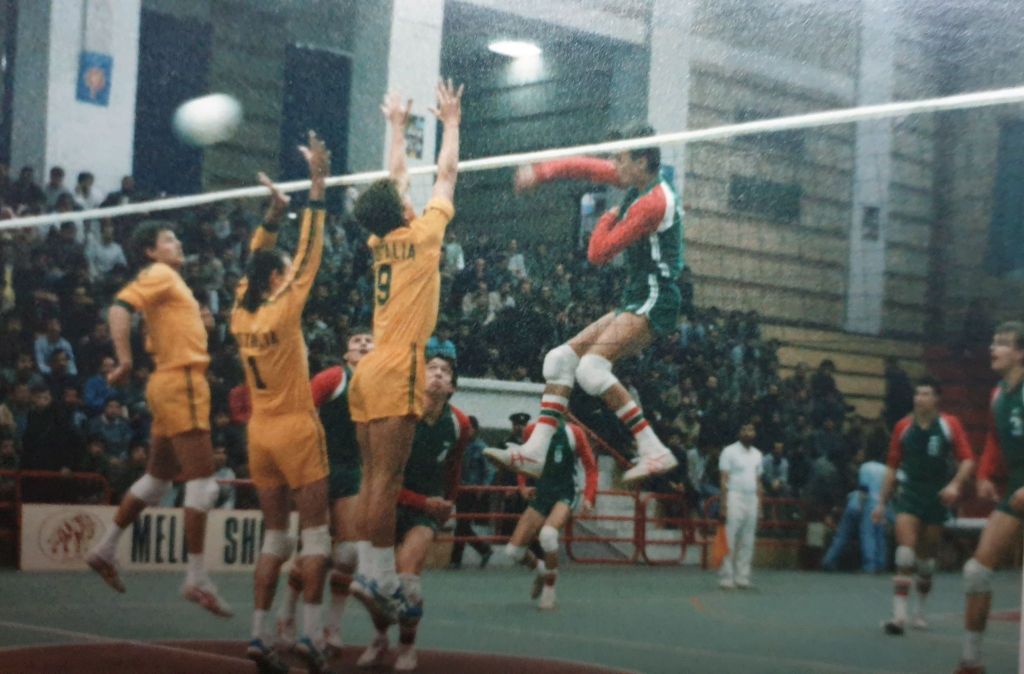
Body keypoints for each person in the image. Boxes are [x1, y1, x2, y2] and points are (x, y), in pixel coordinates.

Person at [485, 123, 682, 484]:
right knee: (559, 360)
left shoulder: (652, 202)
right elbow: (583, 166)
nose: (613, 166)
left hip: (657, 297)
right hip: (636, 296)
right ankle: (535, 452)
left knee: (591, 370)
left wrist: (608, 216)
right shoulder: (637, 178)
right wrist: (541, 172)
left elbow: (598, 254)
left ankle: (654, 450)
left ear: (641, 161)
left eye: (619, 159)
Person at [346, 80, 462, 622]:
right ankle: (376, 577)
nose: (408, 195)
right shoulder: (424, 236)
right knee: (386, 483)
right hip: (398, 366)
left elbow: (395, 178)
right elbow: (446, 174)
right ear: (400, 210)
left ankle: (373, 574)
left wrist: (396, 127)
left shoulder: (381, 242)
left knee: (373, 479)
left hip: (369, 369)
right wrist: (451, 123)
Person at [86, 206, 230, 617]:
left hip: (169, 382)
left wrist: (202, 326)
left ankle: (105, 548)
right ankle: (196, 577)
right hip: (182, 382)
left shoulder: (171, 283)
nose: (177, 243)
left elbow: (166, 328)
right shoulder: (161, 274)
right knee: (204, 485)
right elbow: (119, 307)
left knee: (156, 479)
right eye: (168, 240)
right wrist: (124, 359)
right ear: (150, 251)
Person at [229, 135, 332, 672]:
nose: (290, 271)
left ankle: (258, 634)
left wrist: (273, 213)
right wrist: (318, 185)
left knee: (274, 537)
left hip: (260, 435)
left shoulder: (240, 310)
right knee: (315, 537)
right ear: (276, 278)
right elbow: (310, 250)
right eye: (283, 269)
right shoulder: (284, 305)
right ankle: (311, 636)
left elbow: (255, 258)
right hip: (295, 429)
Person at [357, 356, 472, 671]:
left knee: (408, 578)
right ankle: (380, 636)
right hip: (388, 505)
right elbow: (379, 475)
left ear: (452, 387)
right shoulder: (399, 416)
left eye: (445, 371)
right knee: (380, 584)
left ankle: (407, 646)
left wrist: (449, 502)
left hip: (425, 512)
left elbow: (454, 467)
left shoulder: (459, 424)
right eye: (431, 368)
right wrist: (423, 502)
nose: (438, 373)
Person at [277, 327, 374, 654]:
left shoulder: (382, 388)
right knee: (314, 551)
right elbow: (300, 408)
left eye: (369, 341)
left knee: (347, 554)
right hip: (317, 468)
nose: (364, 344)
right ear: (347, 354)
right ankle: (287, 616)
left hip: (350, 472)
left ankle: (332, 626)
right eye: (357, 341)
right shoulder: (335, 377)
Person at [873, 377, 974, 635]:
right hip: (910, 494)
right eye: (917, 394)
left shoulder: (949, 424)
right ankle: (898, 616)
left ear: (936, 399)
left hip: (936, 497)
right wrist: (881, 503)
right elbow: (892, 467)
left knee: (926, 562)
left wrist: (955, 485)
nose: (920, 398)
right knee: (905, 553)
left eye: (926, 394)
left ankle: (919, 611)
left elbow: (967, 461)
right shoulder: (903, 426)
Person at [954, 322, 1024, 674]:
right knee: (976, 573)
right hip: (1017, 492)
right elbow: (996, 440)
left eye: (1003, 343)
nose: (993, 348)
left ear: (1021, 353)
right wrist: (984, 475)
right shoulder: (998, 395)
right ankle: (972, 662)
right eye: (993, 342)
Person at [504, 419, 597, 611]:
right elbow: (523, 459)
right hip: (542, 494)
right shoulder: (532, 429)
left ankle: (549, 590)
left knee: (548, 535)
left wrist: (589, 497)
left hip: (566, 493)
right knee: (513, 551)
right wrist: (522, 486)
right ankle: (542, 570)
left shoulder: (574, 433)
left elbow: (591, 467)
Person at [718, 422, 763, 590]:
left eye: (751, 429)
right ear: (738, 433)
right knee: (730, 537)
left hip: (752, 498)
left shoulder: (758, 454)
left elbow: (758, 481)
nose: (748, 432)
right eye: (744, 429)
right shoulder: (729, 451)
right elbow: (724, 479)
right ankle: (727, 577)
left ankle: (742, 576)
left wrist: (760, 505)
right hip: (734, 496)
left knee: (748, 538)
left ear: (755, 433)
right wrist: (723, 504)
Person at [448, 415, 495, 570]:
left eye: (469, 428)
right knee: (463, 524)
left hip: (472, 490)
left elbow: (490, 470)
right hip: (459, 489)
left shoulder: (481, 447)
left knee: (462, 524)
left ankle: (456, 559)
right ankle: (483, 550)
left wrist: (483, 487)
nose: (467, 431)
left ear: (475, 429)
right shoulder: (459, 445)